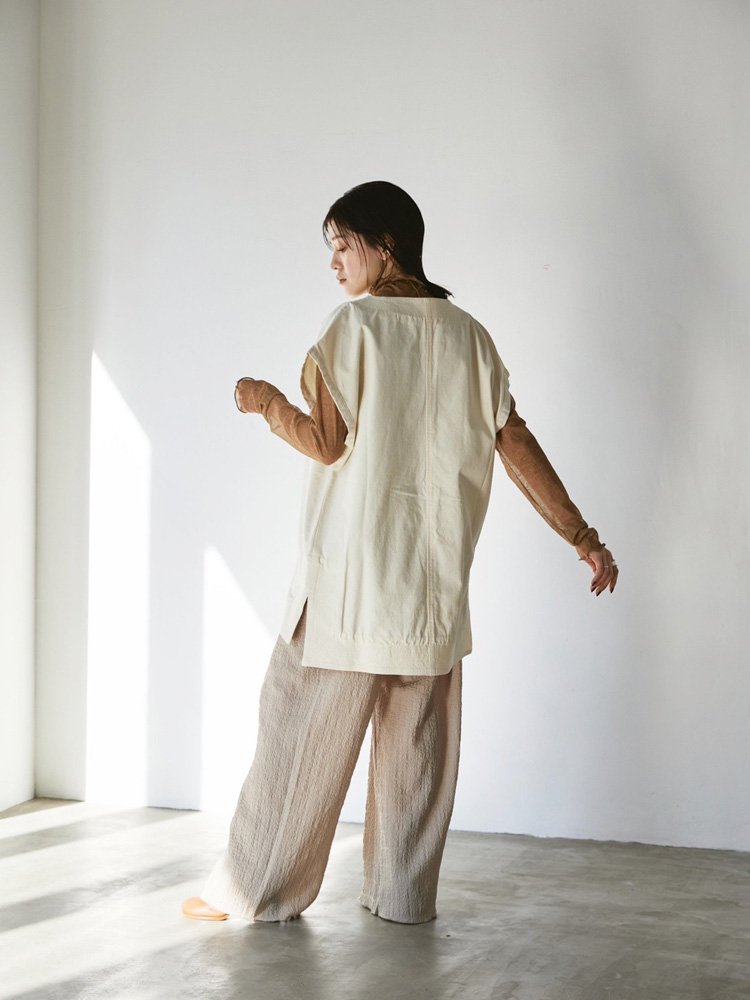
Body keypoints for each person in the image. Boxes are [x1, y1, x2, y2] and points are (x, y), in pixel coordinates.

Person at [182, 180, 618, 925]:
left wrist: (263, 400)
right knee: (418, 758)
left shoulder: (354, 329)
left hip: (349, 592)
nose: (333, 262)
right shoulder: (471, 337)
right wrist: (582, 537)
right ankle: (402, 898)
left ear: (385, 246)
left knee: (296, 737)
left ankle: (255, 891)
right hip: (430, 592)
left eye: (341, 245)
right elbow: (515, 443)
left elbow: (325, 442)